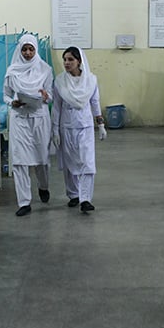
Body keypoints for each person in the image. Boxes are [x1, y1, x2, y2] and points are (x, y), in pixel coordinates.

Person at [3, 34, 54, 217]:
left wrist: (46, 97)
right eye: (24, 49)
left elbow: (51, 95)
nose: (27, 53)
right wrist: (12, 103)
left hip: (39, 118)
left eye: (31, 49)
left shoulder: (45, 70)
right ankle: (24, 202)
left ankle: (43, 186)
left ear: (36, 49)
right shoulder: (12, 70)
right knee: (19, 161)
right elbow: (6, 95)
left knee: (41, 158)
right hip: (20, 118)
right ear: (19, 50)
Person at [51, 46, 107, 213]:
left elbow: (95, 102)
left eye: (71, 59)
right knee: (70, 164)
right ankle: (73, 194)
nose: (67, 63)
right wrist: (55, 129)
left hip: (85, 126)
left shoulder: (91, 80)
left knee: (87, 162)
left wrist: (101, 124)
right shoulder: (60, 81)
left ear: (79, 61)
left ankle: (85, 199)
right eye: (65, 59)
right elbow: (56, 107)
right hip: (66, 126)